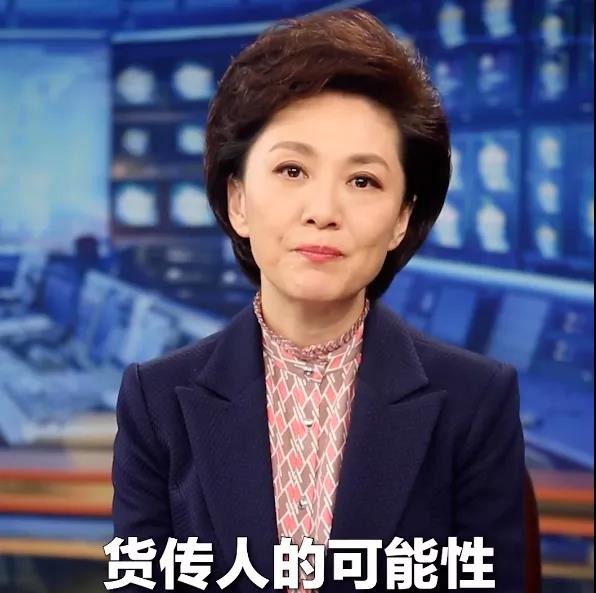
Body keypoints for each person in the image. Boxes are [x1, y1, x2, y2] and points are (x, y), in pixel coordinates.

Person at [111, 9, 525, 592]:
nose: (323, 211)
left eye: (363, 181)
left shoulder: (476, 402)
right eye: (291, 169)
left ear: (401, 219)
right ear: (238, 201)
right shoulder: (156, 401)